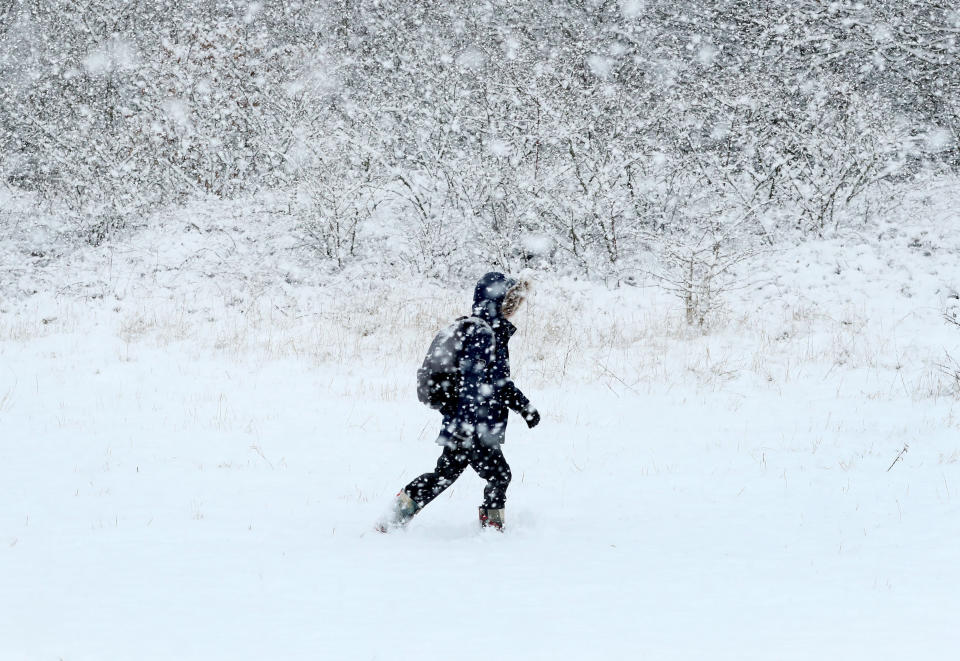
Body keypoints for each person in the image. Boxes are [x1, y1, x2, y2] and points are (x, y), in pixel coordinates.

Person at [378, 272, 540, 532]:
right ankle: (492, 530)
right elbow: (472, 383)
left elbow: (496, 382)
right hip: (474, 423)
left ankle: (394, 517)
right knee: (499, 475)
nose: (514, 307)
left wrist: (523, 406)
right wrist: (468, 424)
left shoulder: (483, 330)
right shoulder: (483, 334)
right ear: (495, 301)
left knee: (444, 475)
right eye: (510, 301)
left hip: (466, 421)